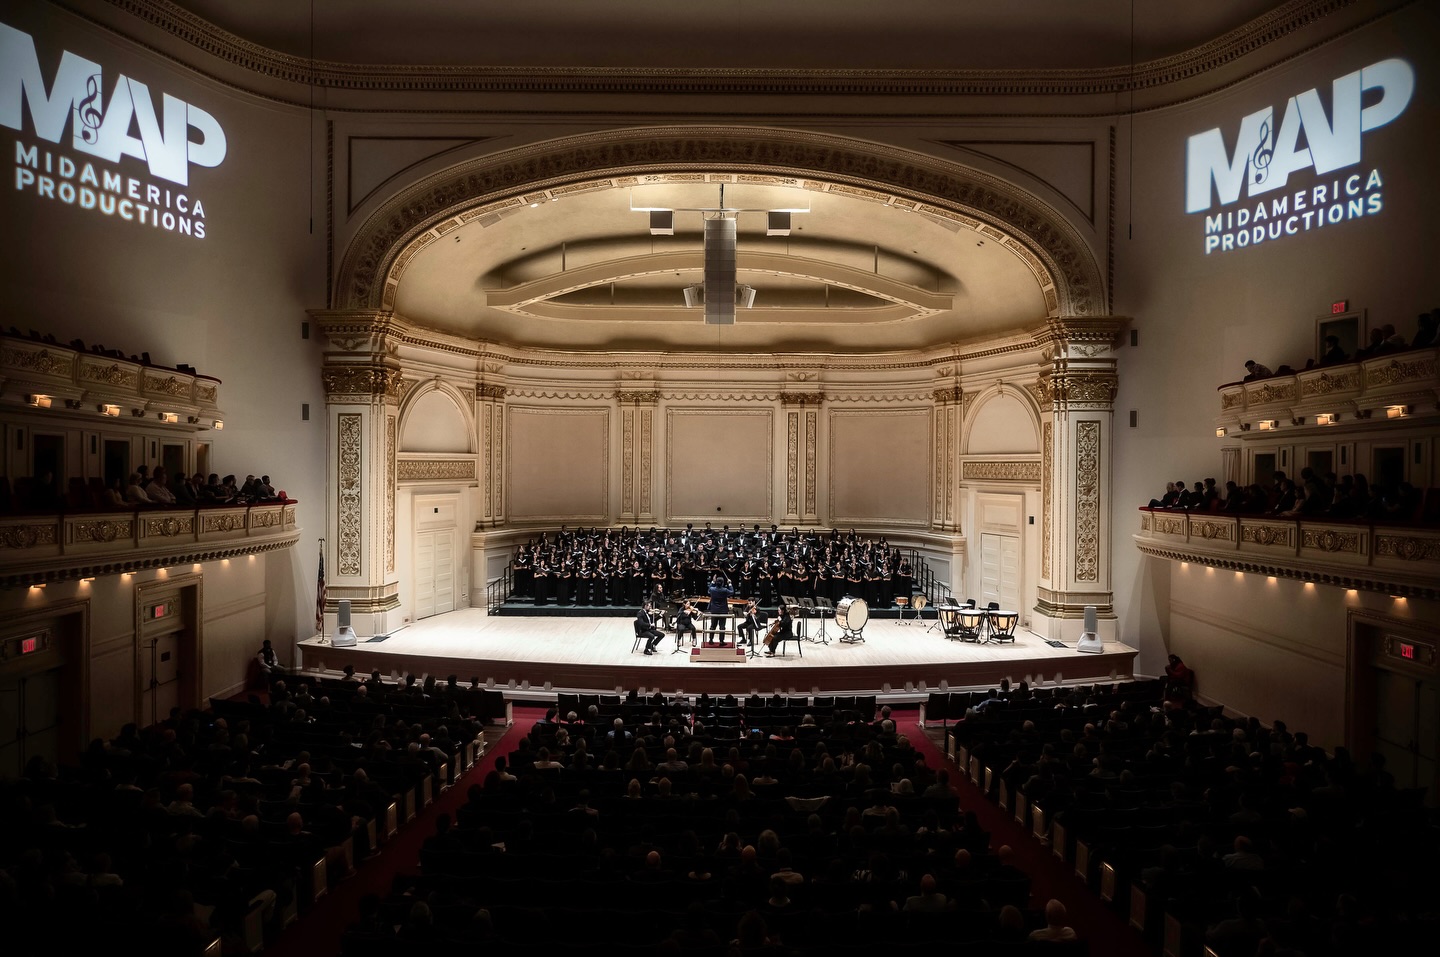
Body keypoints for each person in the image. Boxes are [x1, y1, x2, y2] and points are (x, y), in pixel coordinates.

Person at [705, 574, 734, 644]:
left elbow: (709, 590)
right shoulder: (725, 590)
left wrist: (712, 582)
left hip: (714, 610)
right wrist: (730, 584)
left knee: (713, 626)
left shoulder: (712, 589)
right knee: (722, 626)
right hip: (723, 610)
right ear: (723, 583)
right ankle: (721, 641)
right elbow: (732, 592)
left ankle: (711, 640)